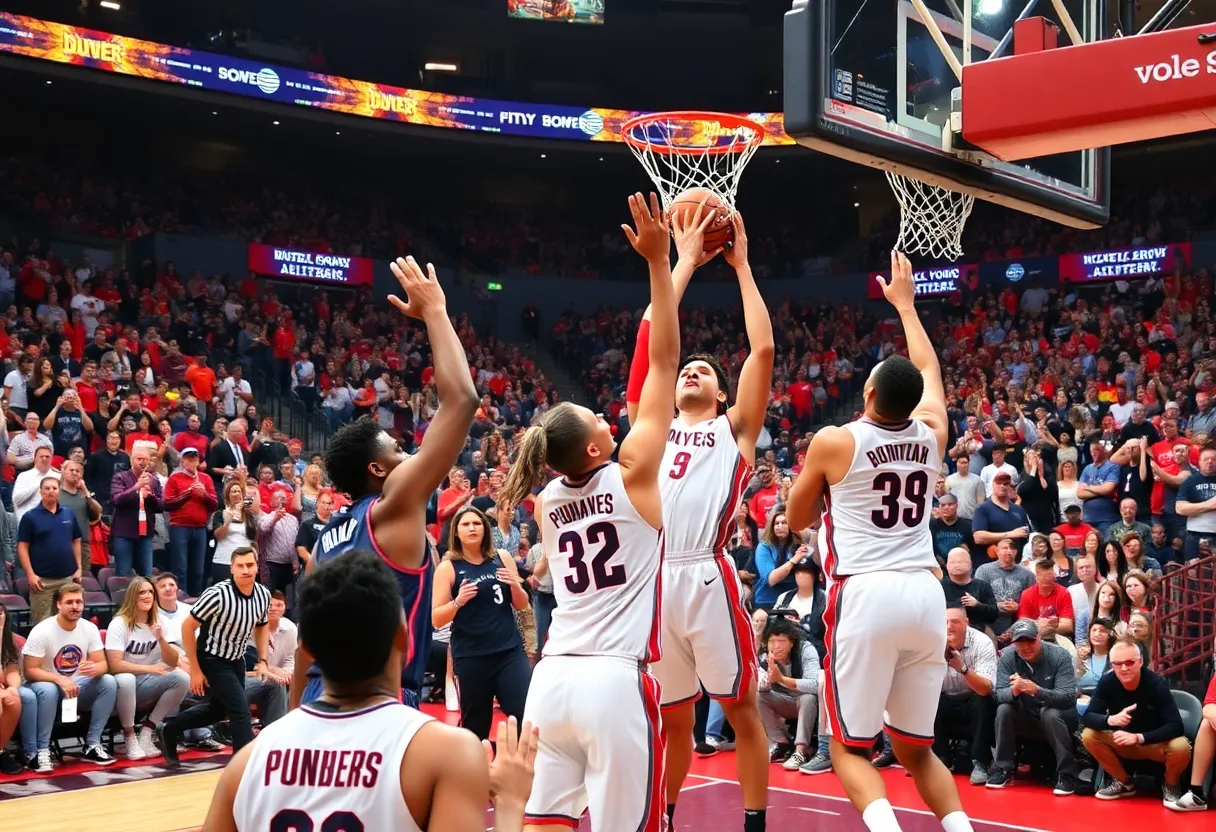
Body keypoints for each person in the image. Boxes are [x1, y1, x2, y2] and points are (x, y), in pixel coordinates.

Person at [494, 192, 678, 832]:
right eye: (599, 418)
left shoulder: (548, 501)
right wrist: (661, 263)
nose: (607, 414)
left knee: (545, 824)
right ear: (598, 448)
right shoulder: (634, 475)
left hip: (552, 681)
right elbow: (665, 364)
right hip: (613, 682)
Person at [785, 252, 975, 832]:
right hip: (925, 594)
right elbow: (929, 370)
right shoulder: (934, 433)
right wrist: (907, 308)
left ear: (866, 391)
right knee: (916, 749)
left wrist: (823, 489)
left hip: (866, 592)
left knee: (848, 747)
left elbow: (796, 516)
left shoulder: (835, 440)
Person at [201, 549, 540, 832]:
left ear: (309, 648)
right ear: (403, 639)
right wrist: (510, 803)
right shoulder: (447, 752)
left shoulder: (246, 762)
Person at [624, 198, 773, 831]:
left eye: (705, 370)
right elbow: (652, 340)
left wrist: (741, 267)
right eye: (686, 366)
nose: (691, 370)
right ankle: (664, 815)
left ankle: (754, 823)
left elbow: (762, 352)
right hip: (656, 579)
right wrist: (679, 261)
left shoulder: (735, 429)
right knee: (674, 717)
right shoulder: (648, 424)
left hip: (708, 575)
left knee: (740, 709)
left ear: (720, 392)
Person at [293, 256, 479, 710]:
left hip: (317, 697)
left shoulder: (327, 538)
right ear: (378, 471)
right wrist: (435, 311)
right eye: (397, 449)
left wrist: (292, 721)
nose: (409, 454)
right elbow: (462, 399)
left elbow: (304, 647)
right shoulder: (394, 503)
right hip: (380, 700)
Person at [157, 546, 271, 766]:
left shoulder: (263, 594)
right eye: (240, 566)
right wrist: (196, 670)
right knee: (240, 711)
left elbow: (262, 625)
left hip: (236, 659)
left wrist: (263, 660)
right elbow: (188, 627)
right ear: (232, 568)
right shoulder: (218, 594)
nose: (245, 570)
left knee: (219, 710)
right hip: (211, 658)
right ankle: (243, 766)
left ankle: (169, 729)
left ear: (257, 567)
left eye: (250, 565)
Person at [431, 506, 531, 741]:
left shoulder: (502, 557)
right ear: (456, 532)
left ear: (485, 529)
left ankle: (518, 761)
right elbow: (436, 618)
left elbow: (522, 604)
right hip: (472, 656)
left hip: (509, 652)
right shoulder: (448, 568)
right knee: (476, 727)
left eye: (476, 523)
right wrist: (458, 602)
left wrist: (515, 586)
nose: (472, 528)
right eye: (465, 524)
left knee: (524, 713)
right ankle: (478, 763)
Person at [1081, 638, 1192, 804]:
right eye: (1118, 664)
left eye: (1130, 662)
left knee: (1181, 746)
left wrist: (1140, 737)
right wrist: (1110, 720)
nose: (1124, 668)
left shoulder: (1156, 683)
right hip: (1123, 743)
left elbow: (1176, 726)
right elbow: (1088, 717)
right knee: (1088, 735)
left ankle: (1171, 784)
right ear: (1111, 665)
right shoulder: (1107, 681)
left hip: (1154, 744)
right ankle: (1124, 783)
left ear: (1140, 662)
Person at [21, 582, 117, 770]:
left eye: (79, 602)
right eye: (70, 602)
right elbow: (29, 671)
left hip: (77, 685)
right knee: (49, 689)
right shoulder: (42, 630)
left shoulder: (89, 628)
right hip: (46, 685)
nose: (75, 606)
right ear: (59, 604)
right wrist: (59, 679)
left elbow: (103, 664)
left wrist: (95, 668)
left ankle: (92, 744)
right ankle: (42, 750)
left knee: (108, 681)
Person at [105, 576, 190, 760]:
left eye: (150, 591)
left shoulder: (159, 622)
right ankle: (129, 736)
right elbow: (115, 665)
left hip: (146, 683)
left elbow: (172, 661)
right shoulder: (119, 624)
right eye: (141, 592)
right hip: (120, 686)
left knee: (182, 678)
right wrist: (152, 669)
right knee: (126, 678)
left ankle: (147, 731)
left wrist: (161, 639)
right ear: (132, 596)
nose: (147, 595)